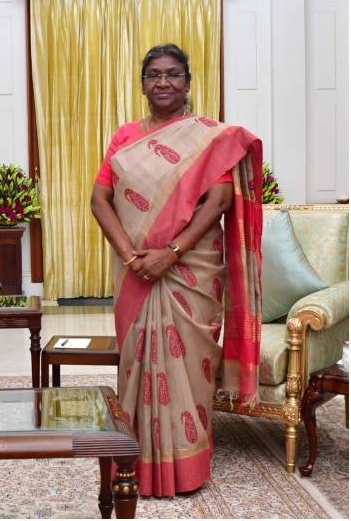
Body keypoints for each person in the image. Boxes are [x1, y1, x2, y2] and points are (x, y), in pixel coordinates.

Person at [90, 44, 263, 497]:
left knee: (189, 366)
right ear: (142, 83)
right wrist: (132, 256)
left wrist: (170, 252)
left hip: (191, 269)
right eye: (153, 75)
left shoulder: (207, 138)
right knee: (134, 363)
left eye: (172, 74)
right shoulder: (125, 136)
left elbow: (219, 202)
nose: (162, 82)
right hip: (135, 270)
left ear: (188, 81)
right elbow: (99, 200)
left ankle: (186, 468)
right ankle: (134, 460)